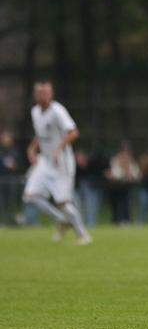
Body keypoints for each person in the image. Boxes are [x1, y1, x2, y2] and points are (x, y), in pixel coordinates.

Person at [22, 80, 93, 244]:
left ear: (51, 94)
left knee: (62, 202)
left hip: (62, 162)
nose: (43, 96)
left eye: (46, 92)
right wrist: (32, 148)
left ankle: (83, 235)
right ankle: (61, 220)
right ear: (35, 95)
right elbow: (41, 135)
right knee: (31, 196)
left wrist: (59, 148)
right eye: (40, 93)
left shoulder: (58, 111)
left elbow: (73, 132)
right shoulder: (35, 112)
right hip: (45, 161)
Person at [106, 142, 140, 225]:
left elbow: (136, 175)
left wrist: (126, 168)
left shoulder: (132, 162)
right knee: (116, 205)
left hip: (127, 186)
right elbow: (112, 174)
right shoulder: (114, 160)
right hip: (115, 186)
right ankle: (116, 221)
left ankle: (126, 220)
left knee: (126, 204)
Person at [0, 131, 22, 226]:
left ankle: (11, 221)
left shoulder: (15, 151)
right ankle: (3, 221)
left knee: (12, 200)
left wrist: (15, 166)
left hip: (12, 178)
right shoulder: (1, 151)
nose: (6, 140)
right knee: (2, 201)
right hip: (2, 177)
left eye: (7, 138)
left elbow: (21, 164)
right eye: (4, 138)